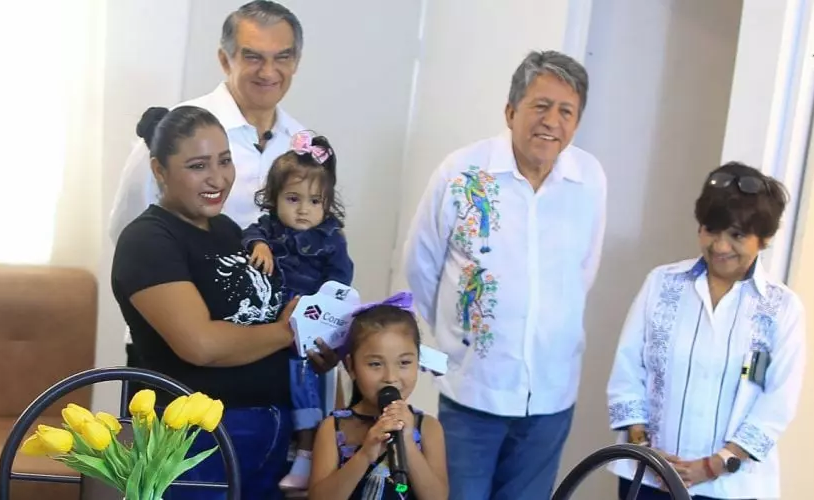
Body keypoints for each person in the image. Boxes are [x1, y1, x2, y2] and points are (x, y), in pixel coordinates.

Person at [402, 50, 607, 499]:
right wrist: (460, 341)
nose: (551, 121)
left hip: (551, 395)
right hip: (473, 392)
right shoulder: (462, 173)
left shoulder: (589, 179)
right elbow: (421, 266)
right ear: (511, 111)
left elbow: (582, 272)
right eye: (541, 105)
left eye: (566, 111)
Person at [111, 105, 337, 500]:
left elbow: (260, 322)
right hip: (197, 442)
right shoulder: (147, 241)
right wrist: (289, 332)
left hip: (273, 433)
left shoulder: (230, 231)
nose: (217, 178)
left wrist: (315, 346)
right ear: (159, 170)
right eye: (198, 166)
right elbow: (201, 344)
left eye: (225, 160)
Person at [108, 0, 306, 367]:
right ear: (225, 59)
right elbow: (130, 231)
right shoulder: (173, 131)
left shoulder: (303, 146)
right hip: (178, 352)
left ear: (296, 61)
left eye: (282, 57)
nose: (268, 71)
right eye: (253, 57)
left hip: (274, 346)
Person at [606, 162, 806, 500]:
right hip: (647, 478)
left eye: (737, 235)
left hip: (732, 488)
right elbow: (628, 370)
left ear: (765, 239)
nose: (720, 246)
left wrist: (714, 465)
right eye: (711, 230)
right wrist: (645, 450)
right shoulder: (662, 283)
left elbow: (778, 402)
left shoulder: (782, 308)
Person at [242, 130, 354, 490]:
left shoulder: (330, 238)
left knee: (305, 385)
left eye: (315, 201)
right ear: (274, 198)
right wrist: (259, 245)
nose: (304, 209)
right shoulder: (268, 229)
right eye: (293, 198)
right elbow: (249, 234)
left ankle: (306, 455)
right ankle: (281, 448)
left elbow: (340, 283)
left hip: (308, 327)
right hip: (267, 328)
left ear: (327, 203)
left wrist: (320, 315)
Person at [308, 292, 449, 500]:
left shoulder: (428, 427)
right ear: (351, 367)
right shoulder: (333, 427)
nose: (390, 377)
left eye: (404, 363)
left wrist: (407, 442)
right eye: (375, 364)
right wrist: (365, 454)